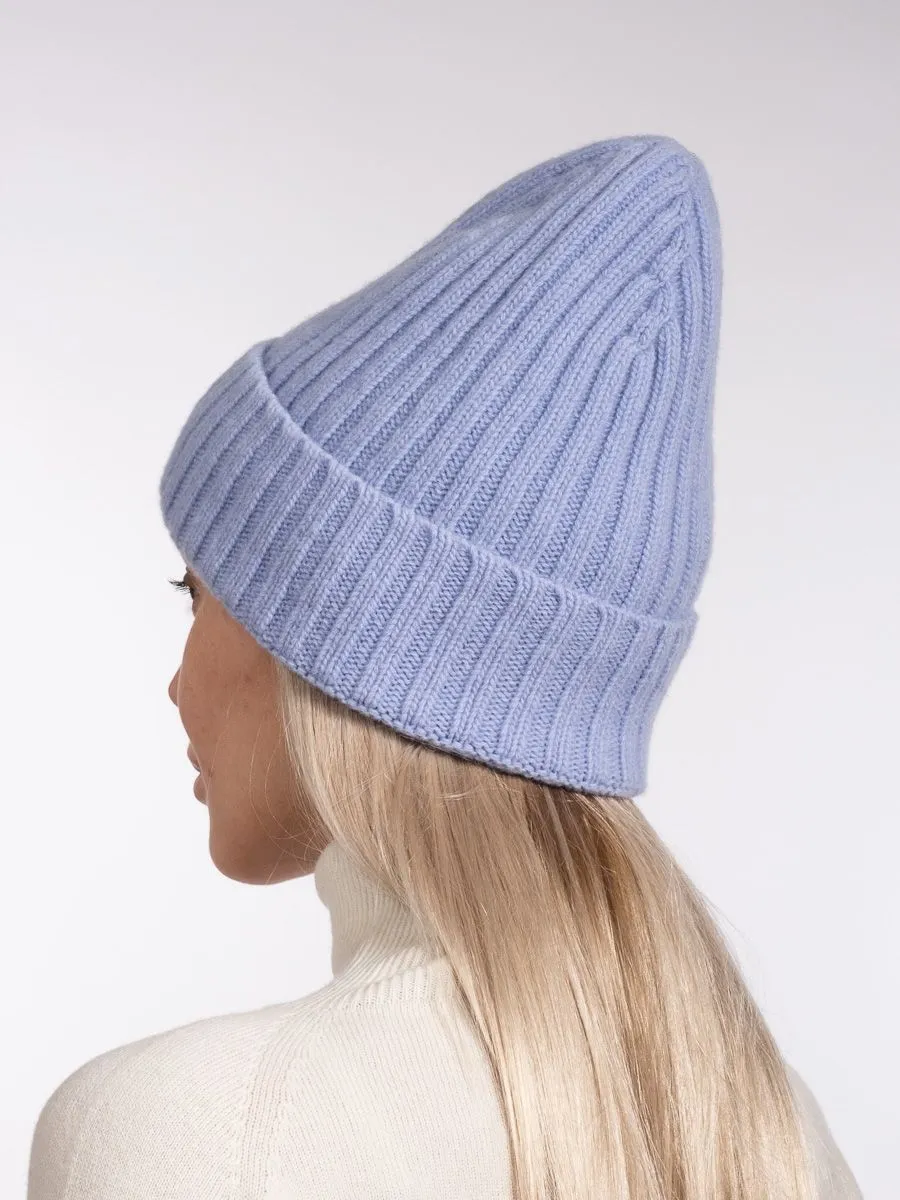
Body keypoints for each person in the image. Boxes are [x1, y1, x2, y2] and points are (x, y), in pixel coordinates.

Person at [27, 133, 863, 1199]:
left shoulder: (180, 1136)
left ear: (329, 632)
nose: (178, 684)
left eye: (196, 595)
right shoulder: (774, 1136)